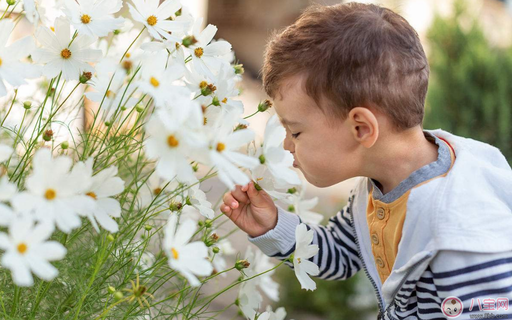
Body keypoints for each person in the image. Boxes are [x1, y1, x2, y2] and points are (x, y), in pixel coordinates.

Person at [220, 3, 512, 319]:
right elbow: (339, 255)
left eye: (296, 131)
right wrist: (274, 226)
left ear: (361, 128)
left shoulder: (458, 234)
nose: (286, 146)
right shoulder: (380, 189)